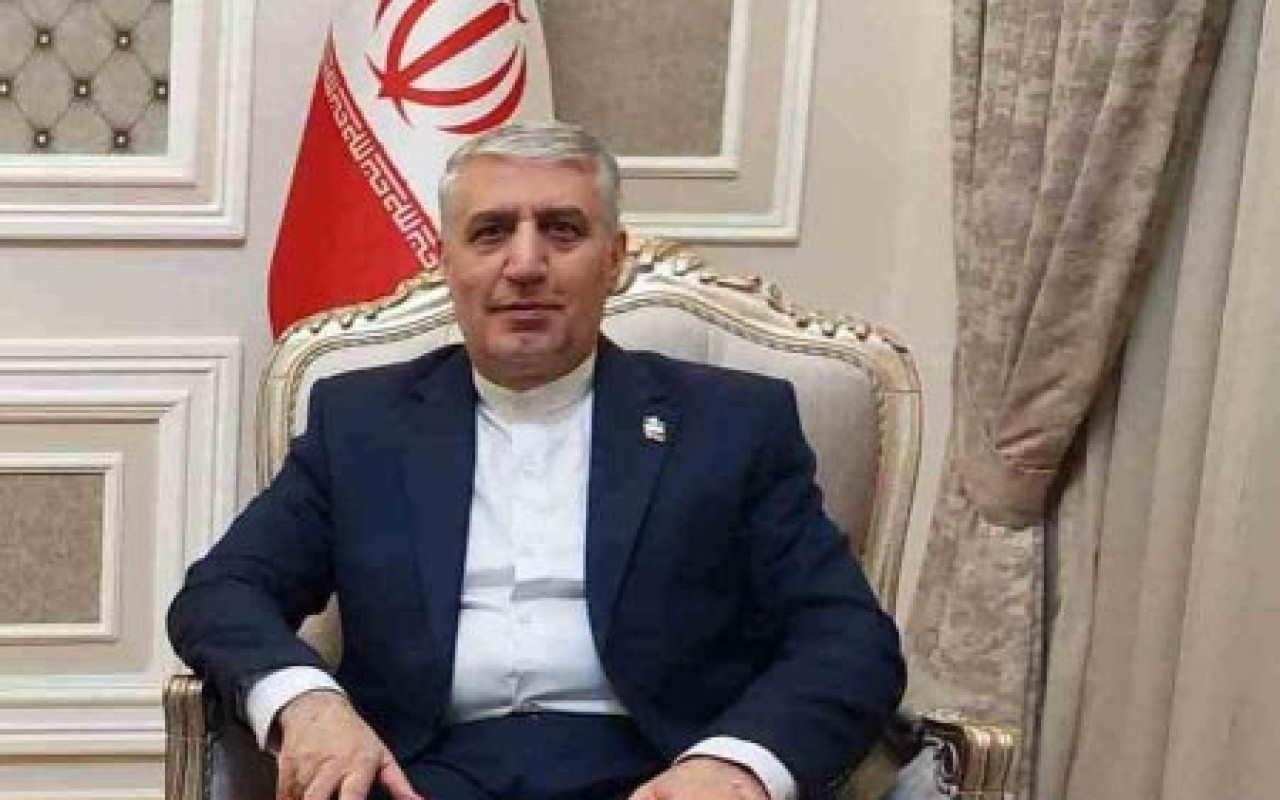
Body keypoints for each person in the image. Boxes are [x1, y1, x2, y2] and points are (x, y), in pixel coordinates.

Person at [168, 123, 905, 800]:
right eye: (491, 232)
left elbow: (848, 637)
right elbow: (224, 591)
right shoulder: (362, 422)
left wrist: (737, 764)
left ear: (613, 259)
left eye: (562, 230)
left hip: (660, 774)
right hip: (418, 777)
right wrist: (309, 702)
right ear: (447, 260)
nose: (525, 264)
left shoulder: (731, 423)